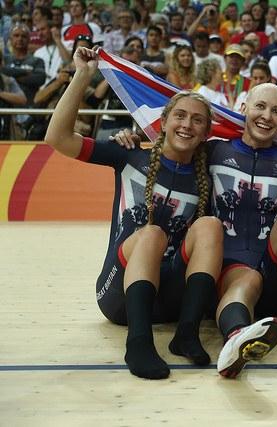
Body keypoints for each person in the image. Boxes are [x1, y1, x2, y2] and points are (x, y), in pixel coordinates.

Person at [114, 83, 277, 377]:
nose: (266, 116)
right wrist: (135, 137)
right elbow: (176, 146)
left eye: (276, 111)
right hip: (224, 273)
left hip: (275, 279)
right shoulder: (213, 150)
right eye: (260, 107)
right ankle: (236, 337)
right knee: (246, 278)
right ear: (243, 109)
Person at [44, 46, 224, 380]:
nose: (187, 124)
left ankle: (186, 334)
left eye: (197, 119)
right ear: (163, 121)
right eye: (180, 116)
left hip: (169, 299)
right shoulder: (129, 155)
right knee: (152, 232)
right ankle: (138, 342)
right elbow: (57, 138)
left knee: (211, 225)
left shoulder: (209, 174)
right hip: (118, 298)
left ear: (206, 132)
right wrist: (82, 75)